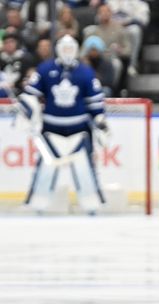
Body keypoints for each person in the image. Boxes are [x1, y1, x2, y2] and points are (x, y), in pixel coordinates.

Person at [17, 34, 108, 214]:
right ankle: (38, 203)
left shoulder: (85, 72)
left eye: (70, 49)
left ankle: (91, 205)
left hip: (80, 129)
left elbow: (95, 103)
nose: (67, 52)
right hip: (51, 128)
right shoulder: (45, 69)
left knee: (84, 169)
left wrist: (100, 121)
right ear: (58, 50)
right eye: (64, 49)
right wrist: (27, 111)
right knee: (46, 168)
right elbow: (30, 95)